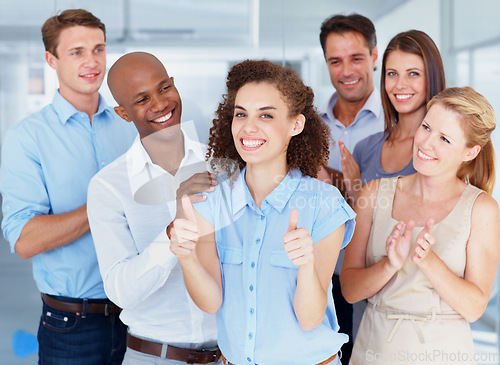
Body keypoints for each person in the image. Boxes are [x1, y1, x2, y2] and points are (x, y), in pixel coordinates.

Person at [169, 59, 356, 365]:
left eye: (266, 115)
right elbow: (211, 302)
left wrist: (306, 265)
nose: (248, 127)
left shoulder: (324, 203)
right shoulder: (210, 201)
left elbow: (310, 319)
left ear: (295, 124)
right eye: (240, 114)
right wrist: (186, 257)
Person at [0, 9, 137, 364]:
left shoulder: (132, 128)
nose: (92, 62)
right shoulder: (27, 138)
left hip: (140, 317)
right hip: (73, 327)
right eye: (76, 52)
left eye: (98, 49)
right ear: (52, 59)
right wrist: (105, 206)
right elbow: (25, 239)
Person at [341, 86, 500, 365]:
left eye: (444, 139)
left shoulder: (481, 209)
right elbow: (350, 290)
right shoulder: (374, 194)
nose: (426, 143)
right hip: (374, 350)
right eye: (426, 127)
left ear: (471, 151)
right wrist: (390, 264)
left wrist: (428, 261)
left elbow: (474, 308)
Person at [87, 52, 221, 365]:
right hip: (154, 357)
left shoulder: (221, 165)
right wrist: (172, 233)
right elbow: (120, 290)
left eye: (163, 88)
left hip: (230, 354)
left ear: (174, 85)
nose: (160, 104)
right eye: (142, 99)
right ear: (123, 113)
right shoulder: (109, 186)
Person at [318, 14, 385, 362]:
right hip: (323, 278)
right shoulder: (306, 127)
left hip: (380, 276)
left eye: (356, 58)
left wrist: (350, 186)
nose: (346, 70)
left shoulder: (400, 125)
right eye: (335, 60)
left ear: (374, 56)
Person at [342, 30, 446, 205]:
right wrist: (354, 193)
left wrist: (360, 195)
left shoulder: (442, 149)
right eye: (392, 74)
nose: (400, 84)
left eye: (413, 73)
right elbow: (357, 228)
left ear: (432, 77)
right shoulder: (364, 149)